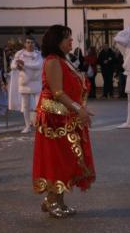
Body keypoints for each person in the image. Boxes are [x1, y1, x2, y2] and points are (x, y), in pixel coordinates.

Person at [32, 25, 95, 218]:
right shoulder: (52, 62)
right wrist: (79, 109)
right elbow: (58, 93)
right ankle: (51, 201)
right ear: (56, 41)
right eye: (67, 38)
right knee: (57, 160)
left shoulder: (63, 60)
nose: (71, 41)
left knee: (66, 160)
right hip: (54, 120)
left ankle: (58, 200)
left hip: (64, 117)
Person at [8, 37, 43, 133]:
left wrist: (24, 65)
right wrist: (17, 66)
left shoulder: (38, 54)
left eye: (32, 42)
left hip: (36, 82)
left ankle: (39, 124)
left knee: (39, 105)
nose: (30, 44)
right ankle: (27, 126)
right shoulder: (19, 54)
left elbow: (38, 65)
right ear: (25, 44)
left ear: (35, 44)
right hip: (24, 82)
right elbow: (12, 66)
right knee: (25, 106)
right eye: (28, 42)